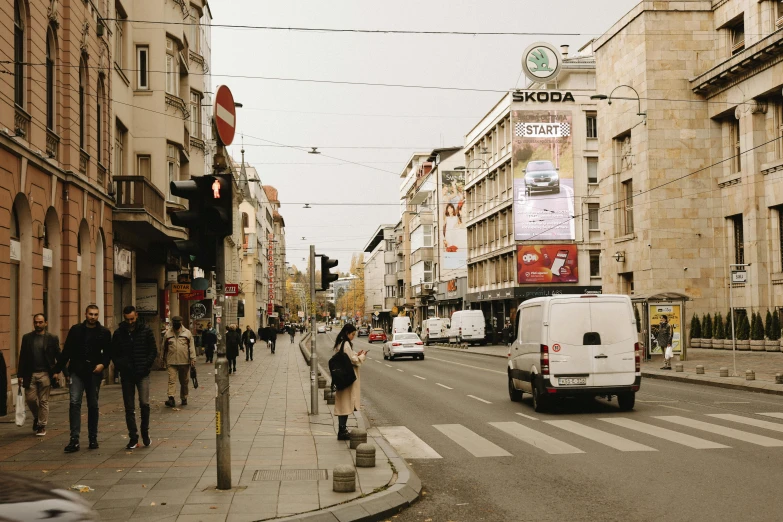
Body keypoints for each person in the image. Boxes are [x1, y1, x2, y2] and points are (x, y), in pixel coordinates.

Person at [55, 304, 112, 453]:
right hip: (77, 371)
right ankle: (74, 439)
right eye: (90, 314)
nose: (93, 317)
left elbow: (108, 353)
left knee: (93, 404)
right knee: (74, 403)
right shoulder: (76, 330)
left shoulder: (104, 332)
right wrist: (56, 370)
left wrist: (103, 365)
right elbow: (66, 351)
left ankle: (93, 437)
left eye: (95, 314)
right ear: (85, 314)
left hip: (94, 372)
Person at [111, 306, 158, 449]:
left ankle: (145, 432)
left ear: (136, 316)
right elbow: (114, 353)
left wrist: (146, 365)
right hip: (127, 375)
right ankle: (133, 437)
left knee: (144, 404)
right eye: (127, 319)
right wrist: (121, 366)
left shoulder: (146, 330)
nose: (130, 322)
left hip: (142, 373)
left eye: (132, 319)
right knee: (129, 407)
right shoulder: (119, 333)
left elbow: (153, 350)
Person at [17, 313, 61, 437]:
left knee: (43, 401)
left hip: (46, 373)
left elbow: (58, 355)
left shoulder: (52, 338)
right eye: (36, 322)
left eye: (40, 322)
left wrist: (58, 371)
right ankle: (37, 417)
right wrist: (20, 375)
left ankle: (41, 426)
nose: (38, 324)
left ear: (45, 323)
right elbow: (23, 357)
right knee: (30, 399)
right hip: (30, 373)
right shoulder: (27, 338)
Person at [332, 324, 366, 441]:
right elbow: (353, 361)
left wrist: (356, 354)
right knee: (345, 404)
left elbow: (347, 357)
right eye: (352, 334)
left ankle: (342, 429)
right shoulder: (345, 344)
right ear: (347, 333)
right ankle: (342, 431)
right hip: (347, 378)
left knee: (343, 404)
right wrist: (361, 356)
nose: (353, 337)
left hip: (341, 377)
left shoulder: (340, 343)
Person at [163, 316, 196, 407]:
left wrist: (193, 358)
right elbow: (164, 347)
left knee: (184, 381)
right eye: (175, 322)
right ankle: (171, 398)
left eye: (178, 322)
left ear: (181, 322)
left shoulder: (187, 333)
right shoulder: (168, 334)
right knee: (171, 380)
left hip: (184, 361)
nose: (176, 324)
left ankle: (184, 397)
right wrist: (163, 359)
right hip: (171, 361)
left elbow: (191, 347)